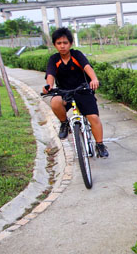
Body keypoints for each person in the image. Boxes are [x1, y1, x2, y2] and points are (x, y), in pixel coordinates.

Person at [42, 27, 109, 158]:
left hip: (82, 90)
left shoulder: (76, 55)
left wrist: (94, 79)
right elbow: (50, 74)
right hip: (64, 92)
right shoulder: (54, 59)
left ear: (70, 44)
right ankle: (64, 123)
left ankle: (100, 144)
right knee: (55, 102)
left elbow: (87, 67)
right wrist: (48, 86)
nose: (62, 46)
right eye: (59, 43)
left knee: (93, 117)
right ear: (55, 45)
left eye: (65, 43)